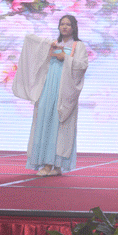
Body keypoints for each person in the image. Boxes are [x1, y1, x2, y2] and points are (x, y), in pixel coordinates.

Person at [13, 15, 88, 177]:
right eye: (62, 24)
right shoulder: (53, 43)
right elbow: (31, 41)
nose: (65, 27)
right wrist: (47, 49)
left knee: (59, 124)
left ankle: (56, 165)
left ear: (74, 27)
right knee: (44, 120)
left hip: (64, 88)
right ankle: (46, 163)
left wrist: (65, 58)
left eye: (68, 24)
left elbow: (82, 65)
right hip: (48, 86)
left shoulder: (78, 45)